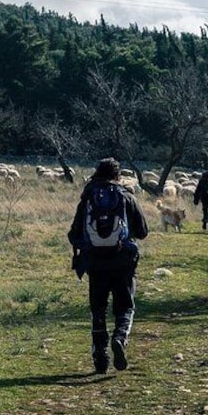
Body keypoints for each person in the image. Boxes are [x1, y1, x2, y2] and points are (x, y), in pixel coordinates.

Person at [67, 158, 149, 374]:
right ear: (117, 175)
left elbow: (73, 234)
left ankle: (100, 357)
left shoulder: (88, 197)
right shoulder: (125, 196)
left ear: (97, 173)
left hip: (95, 264)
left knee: (98, 309)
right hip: (123, 262)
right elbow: (142, 231)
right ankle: (120, 338)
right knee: (125, 306)